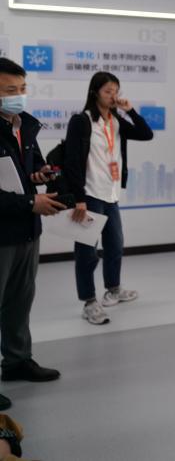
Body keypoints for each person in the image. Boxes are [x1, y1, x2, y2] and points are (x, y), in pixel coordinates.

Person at [64, 72, 153, 325]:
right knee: (87, 252)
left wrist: (130, 110)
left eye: (116, 91)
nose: (113, 96)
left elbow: (146, 134)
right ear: (95, 93)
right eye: (108, 91)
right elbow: (72, 162)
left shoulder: (116, 121)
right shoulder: (81, 121)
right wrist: (79, 198)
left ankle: (113, 289)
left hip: (111, 194)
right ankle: (89, 302)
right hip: (90, 195)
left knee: (115, 245)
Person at [0, 58, 63, 410]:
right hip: (3, 231)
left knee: (19, 301)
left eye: (22, 88)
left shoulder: (24, 125)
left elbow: (31, 168)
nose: (18, 95)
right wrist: (29, 201)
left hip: (26, 230)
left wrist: (40, 174)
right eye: (10, 90)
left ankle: (17, 361)